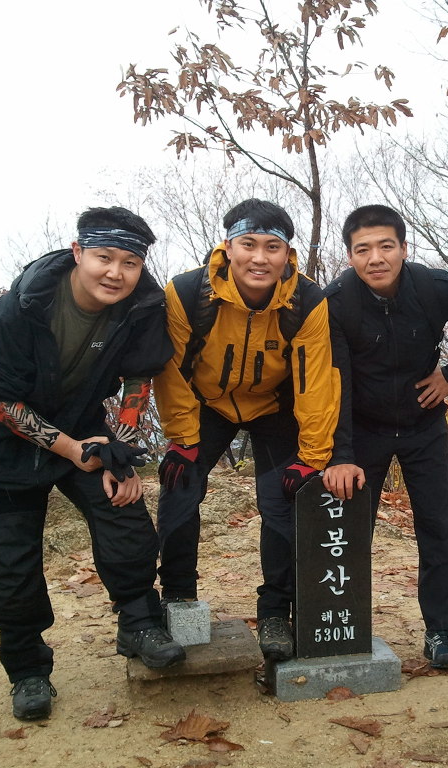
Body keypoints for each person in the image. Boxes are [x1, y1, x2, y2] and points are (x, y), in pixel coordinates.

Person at [0, 206, 186, 722]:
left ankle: (139, 623)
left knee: (123, 510)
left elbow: (138, 378)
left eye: (130, 262)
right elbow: (0, 401)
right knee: (13, 562)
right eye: (105, 257)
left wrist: (120, 453)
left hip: (80, 423)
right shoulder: (21, 307)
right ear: (79, 252)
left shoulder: (142, 305)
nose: (116, 273)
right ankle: (27, 670)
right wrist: (71, 450)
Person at [153, 198, 342, 662]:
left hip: (273, 405)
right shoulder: (186, 292)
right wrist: (183, 438)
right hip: (206, 403)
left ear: (287, 254)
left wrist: (312, 456)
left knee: (282, 502)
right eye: (248, 245)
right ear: (228, 247)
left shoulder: (307, 300)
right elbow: (171, 368)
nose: (260, 258)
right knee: (179, 488)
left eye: (272, 248)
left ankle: (276, 611)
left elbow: (316, 381)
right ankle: (177, 599)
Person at [322, 204, 448, 670]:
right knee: (350, 533)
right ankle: (343, 626)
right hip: (364, 430)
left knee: (436, 529)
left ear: (403, 248)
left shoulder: (432, 286)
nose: (375, 258)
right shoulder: (337, 302)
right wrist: (341, 453)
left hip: (423, 425)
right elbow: (335, 382)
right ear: (350, 256)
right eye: (363, 249)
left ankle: (441, 633)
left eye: (385, 246)